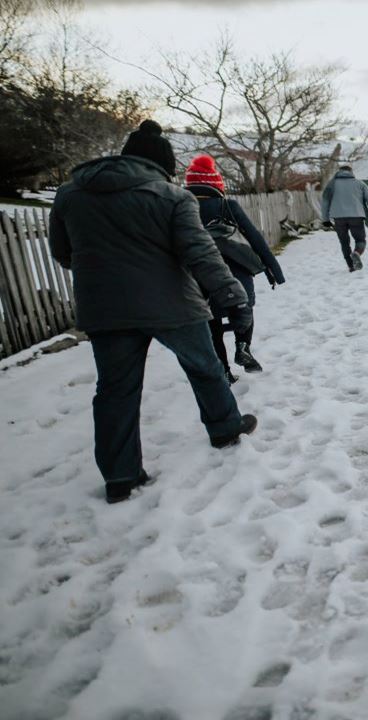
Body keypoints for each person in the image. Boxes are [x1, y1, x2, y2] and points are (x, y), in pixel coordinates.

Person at [48, 120, 258, 504]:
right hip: (172, 304)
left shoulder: (69, 195)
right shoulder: (172, 197)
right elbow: (199, 252)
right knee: (204, 367)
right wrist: (229, 290)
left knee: (114, 391)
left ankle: (121, 476)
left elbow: (63, 254)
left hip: (105, 309)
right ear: (161, 165)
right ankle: (225, 428)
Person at [185, 154, 286, 383]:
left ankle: (224, 372)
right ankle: (243, 346)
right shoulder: (227, 206)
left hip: (198, 272)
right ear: (216, 183)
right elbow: (254, 237)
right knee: (243, 307)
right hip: (235, 269)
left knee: (210, 321)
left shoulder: (182, 207)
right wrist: (273, 271)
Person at [321, 164, 368, 271]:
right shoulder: (360, 183)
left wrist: (325, 220)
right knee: (360, 240)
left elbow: (325, 202)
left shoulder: (331, 184)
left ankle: (351, 265)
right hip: (357, 216)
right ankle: (357, 253)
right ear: (351, 172)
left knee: (344, 242)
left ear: (339, 172)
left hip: (338, 217)